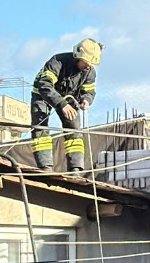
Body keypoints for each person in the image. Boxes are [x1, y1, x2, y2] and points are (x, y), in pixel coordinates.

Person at [30, 38, 102, 172]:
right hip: (43, 94)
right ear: (77, 57)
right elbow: (44, 85)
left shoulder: (90, 72)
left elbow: (89, 91)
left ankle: (76, 168)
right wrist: (61, 103)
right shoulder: (57, 61)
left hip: (68, 99)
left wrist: (86, 100)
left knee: (74, 128)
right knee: (40, 126)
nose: (88, 67)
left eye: (91, 64)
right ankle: (45, 166)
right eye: (86, 63)